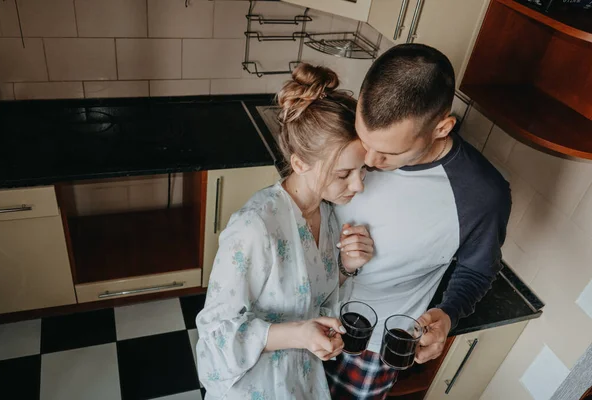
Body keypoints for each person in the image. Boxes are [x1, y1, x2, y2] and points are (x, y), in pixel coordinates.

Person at [325, 44, 512, 399]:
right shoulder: (346, 135)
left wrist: (447, 315)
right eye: (365, 140)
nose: (371, 159)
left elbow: (476, 271)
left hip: (372, 343)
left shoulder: (482, 194)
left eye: (390, 153)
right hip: (302, 310)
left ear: (442, 128)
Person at [195, 63, 375, 400]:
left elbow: (312, 294)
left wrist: (347, 266)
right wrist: (300, 335)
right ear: (300, 164)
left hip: (301, 380)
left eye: (362, 170)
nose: (358, 186)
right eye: (344, 174)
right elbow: (216, 335)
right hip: (254, 387)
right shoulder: (255, 228)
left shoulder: (328, 212)